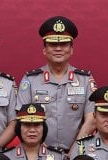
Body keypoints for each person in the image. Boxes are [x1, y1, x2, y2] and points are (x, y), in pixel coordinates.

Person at [17, 16, 97, 151]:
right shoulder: (30, 80)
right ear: (44, 50)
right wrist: (45, 152)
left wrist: (74, 152)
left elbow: (91, 120)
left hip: (77, 153)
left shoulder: (85, 80)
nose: (58, 49)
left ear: (71, 49)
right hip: (40, 154)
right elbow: (22, 121)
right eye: (53, 44)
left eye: (64, 44)